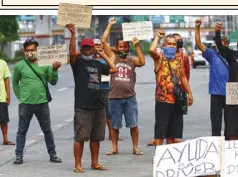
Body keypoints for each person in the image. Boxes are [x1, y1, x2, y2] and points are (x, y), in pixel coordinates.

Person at [66, 24, 117, 173]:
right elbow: (71, 52)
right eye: (85, 48)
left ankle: (95, 163)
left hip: (99, 106)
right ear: (82, 50)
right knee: (80, 137)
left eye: (90, 48)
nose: (88, 50)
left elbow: (113, 68)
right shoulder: (78, 63)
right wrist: (73, 34)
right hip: (83, 107)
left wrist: (102, 54)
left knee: (96, 138)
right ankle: (78, 164)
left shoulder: (98, 64)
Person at [12, 39, 62, 164]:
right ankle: (19, 156)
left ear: (37, 50)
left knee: (47, 130)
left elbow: (53, 82)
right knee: (22, 130)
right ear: (24, 51)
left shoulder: (45, 64)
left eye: (32, 50)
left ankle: (53, 154)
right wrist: (21, 97)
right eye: (27, 50)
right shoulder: (19, 66)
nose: (30, 52)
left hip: (42, 103)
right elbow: (15, 83)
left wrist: (55, 70)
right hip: (25, 104)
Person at [101, 17, 145, 156]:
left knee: (133, 124)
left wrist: (137, 45)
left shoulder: (132, 60)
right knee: (115, 125)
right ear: (117, 47)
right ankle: (114, 147)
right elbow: (103, 41)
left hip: (130, 98)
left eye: (125, 46)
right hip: (114, 97)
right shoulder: (113, 57)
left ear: (128, 47)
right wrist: (110, 24)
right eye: (120, 46)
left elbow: (142, 62)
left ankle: (135, 147)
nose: (123, 49)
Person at [149, 31, 193, 147]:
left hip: (176, 100)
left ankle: (169, 155)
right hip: (163, 100)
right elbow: (152, 50)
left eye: (173, 44)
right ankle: (158, 155)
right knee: (160, 130)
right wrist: (158, 38)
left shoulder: (178, 60)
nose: (171, 46)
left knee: (172, 132)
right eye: (168, 44)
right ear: (163, 45)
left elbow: (183, 77)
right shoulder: (159, 58)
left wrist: (189, 93)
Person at [195, 18, 230, 140]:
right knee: (216, 123)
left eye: (223, 42)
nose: (221, 44)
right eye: (219, 42)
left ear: (227, 44)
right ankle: (216, 144)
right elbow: (199, 44)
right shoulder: (212, 54)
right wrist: (197, 27)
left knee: (229, 123)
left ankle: (227, 144)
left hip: (230, 94)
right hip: (215, 94)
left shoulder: (233, 56)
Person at [0, 59, 15, 146]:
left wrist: (8, 94)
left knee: (3, 120)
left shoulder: (2, 63)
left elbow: (6, 79)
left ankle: (5, 139)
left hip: (1, 96)